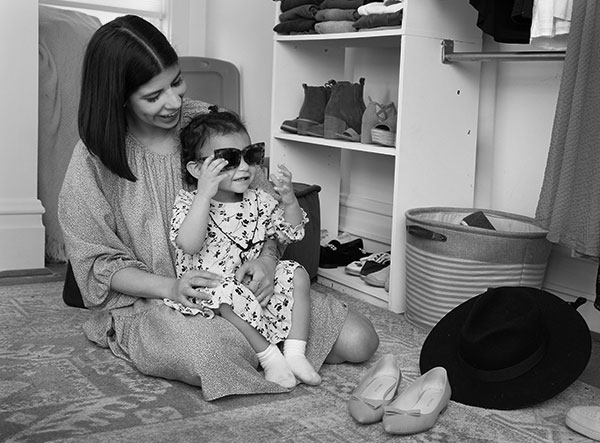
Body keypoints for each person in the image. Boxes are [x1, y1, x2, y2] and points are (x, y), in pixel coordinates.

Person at [58, 14, 379, 401]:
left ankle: (267, 348)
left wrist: (267, 260)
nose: (173, 102)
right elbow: (96, 263)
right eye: (153, 95)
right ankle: (254, 348)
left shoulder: (208, 125)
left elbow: (264, 209)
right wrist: (171, 288)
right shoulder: (93, 159)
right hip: (162, 298)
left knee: (361, 340)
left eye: (176, 82)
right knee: (212, 352)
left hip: (243, 284)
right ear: (118, 96)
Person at [166, 109, 320, 388]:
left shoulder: (258, 199)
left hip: (255, 284)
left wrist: (289, 202)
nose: (245, 167)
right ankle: (270, 357)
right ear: (197, 169)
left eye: (250, 156)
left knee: (297, 273)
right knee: (223, 291)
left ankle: (295, 352)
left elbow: (291, 232)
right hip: (214, 288)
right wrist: (204, 195)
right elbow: (189, 243)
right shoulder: (190, 203)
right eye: (229, 159)